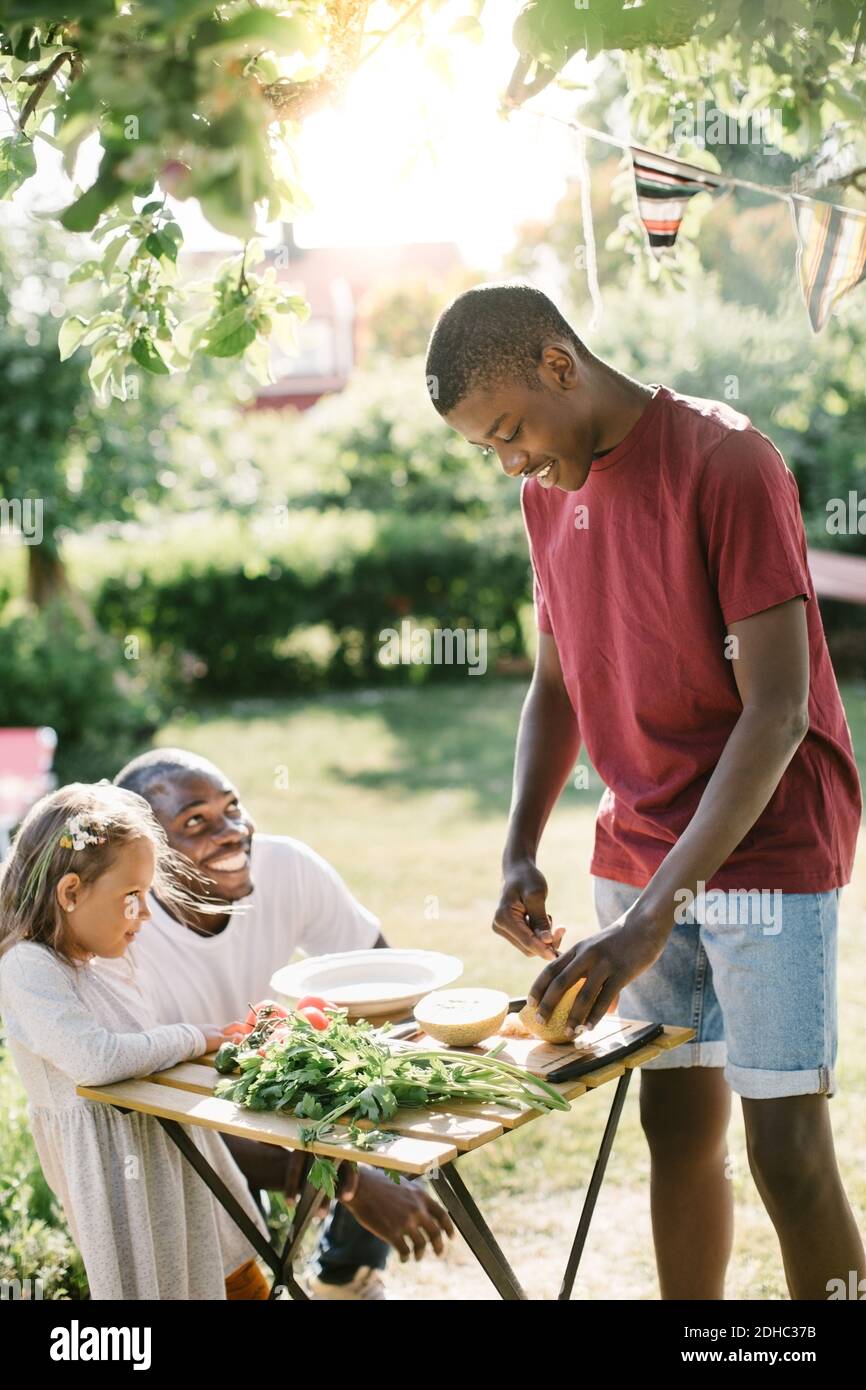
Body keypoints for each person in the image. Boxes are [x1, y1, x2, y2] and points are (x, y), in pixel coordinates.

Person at [425, 281, 865, 1300]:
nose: (507, 460)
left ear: (557, 366)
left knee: (786, 1153)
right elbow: (554, 682)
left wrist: (650, 921)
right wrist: (517, 846)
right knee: (674, 1132)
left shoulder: (724, 461)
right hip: (634, 854)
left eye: (509, 430)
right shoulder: (544, 495)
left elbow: (776, 711)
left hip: (763, 853)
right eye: (483, 446)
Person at [107, 748, 453, 1300]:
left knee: (394, 1103)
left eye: (232, 808)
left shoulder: (285, 866)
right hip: (177, 1127)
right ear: (145, 854)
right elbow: (160, 1124)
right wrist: (353, 1183)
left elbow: (390, 989)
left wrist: (381, 1125)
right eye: (195, 822)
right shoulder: (120, 933)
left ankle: (343, 1276)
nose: (232, 832)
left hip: (268, 1086)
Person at [0, 782, 270, 1301]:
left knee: (220, 1268)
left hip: (161, 1157)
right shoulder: (27, 968)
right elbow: (94, 1059)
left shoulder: (91, 962)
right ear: (71, 891)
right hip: (116, 1177)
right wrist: (191, 1037)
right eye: (132, 897)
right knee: (158, 1283)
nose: (144, 914)